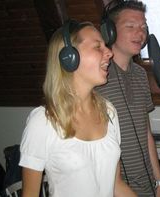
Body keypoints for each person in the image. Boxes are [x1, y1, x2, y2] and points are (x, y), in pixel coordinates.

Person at [19, 19, 136, 197]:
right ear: (69, 58)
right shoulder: (43, 121)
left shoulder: (109, 111)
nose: (109, 53)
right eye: (98, 47)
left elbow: (115, 184)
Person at [96, 1, 160, 196]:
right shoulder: (95, 77)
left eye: (143, 27)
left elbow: (146, 133)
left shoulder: (141, 75)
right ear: (109, 31)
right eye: (131, 26)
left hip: (147, 187)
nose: (140, 33)